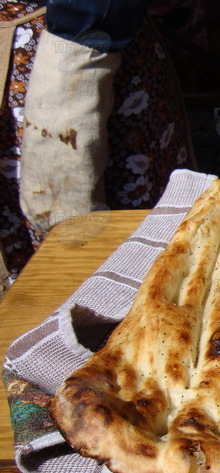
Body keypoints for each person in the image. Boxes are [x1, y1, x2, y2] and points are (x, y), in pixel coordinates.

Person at [0, 0, 194, 293]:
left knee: (130, 265)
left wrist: (77, 61)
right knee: (37, 277)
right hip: (24, 56)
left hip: (75, 58)